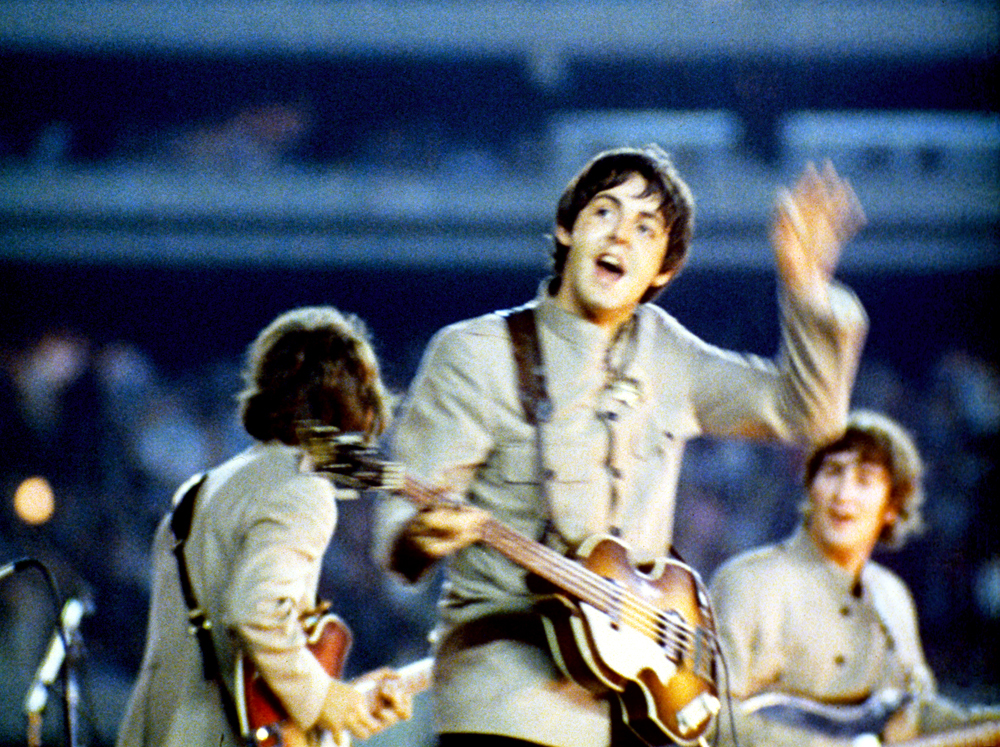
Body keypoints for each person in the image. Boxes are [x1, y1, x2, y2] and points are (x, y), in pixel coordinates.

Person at [375, 145, 870, 747]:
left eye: (645, 228)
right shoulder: (474, 352)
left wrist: (807, 287)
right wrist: (418, 534)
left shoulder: (669, 353)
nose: (621, 237)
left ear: (663, 269)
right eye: (604, 213)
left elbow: (811, 414)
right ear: (567, 229)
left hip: (647, 705)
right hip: (507, 698)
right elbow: (399, 518)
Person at [117, 306, 412, 747]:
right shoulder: (302, 490)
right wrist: (322, 698)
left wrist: (342, 693)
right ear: (351, 402)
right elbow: (255, 611)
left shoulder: (203, 488)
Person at [709, 410, 1000, 746]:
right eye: (833, 471)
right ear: (810, 485)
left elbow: (912, 715)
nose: (844, 494)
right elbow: (709, 715)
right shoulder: (747, 582)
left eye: (865, 479)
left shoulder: (892, 595)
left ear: (892, 505)